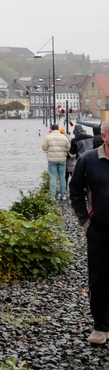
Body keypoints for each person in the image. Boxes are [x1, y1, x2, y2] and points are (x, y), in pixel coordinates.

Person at [70, 119, 109, 345]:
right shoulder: (88, 160)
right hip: (99, 230)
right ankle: (101, 327)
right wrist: (85, 222)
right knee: (99, 279)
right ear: (104, 136)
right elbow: (75, 191)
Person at [42, 123, 71, 199]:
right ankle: (63, 195)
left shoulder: (48, 137)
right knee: (62, 177)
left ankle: (52, 196)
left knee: (53, 177)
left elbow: (44, 148)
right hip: (62, 159)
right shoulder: (64, 137)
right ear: (58, 129)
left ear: (51, 129)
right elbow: (68, 147)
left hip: (52, 160)